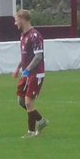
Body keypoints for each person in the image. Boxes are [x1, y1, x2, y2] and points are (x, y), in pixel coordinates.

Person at [13, 9, 49, 137]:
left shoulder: (35, 35)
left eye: (16, 20)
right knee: (21, 101)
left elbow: (38, 57)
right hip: (27, 73)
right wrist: (18, 68)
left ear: (23, 20)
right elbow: (25, 56)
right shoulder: (23, 35)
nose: (15, 23)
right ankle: (41, 120)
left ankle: (31, 131)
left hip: (36, 73)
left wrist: (27, 70)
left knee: (28, 102)